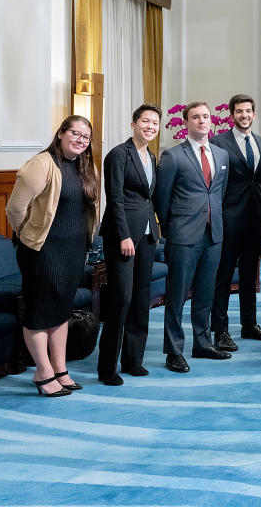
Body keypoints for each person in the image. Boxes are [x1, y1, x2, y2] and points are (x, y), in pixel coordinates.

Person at [7, 116, 100, 396]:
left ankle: (60, 369)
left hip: (73, 251)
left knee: (60, 311)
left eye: (86, 137)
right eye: (75, 133)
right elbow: (15, 210)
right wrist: (29, 236)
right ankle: (42, 372)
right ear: (61, 133)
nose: (80, 140)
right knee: (39, 312)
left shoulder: (84, 166)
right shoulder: (41, 164)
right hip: (42, 252)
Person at [154, 101, 230, 372]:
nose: (202, 121)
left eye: (206, 117)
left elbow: (218, 193)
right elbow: (161, 200)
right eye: (196, 117)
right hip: (183, 237)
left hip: (214, 235)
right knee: (176, 296)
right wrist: (173, 226)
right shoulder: (173, 156)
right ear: (186, 122)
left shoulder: (222, 155)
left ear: (212, 121)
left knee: (206, 294)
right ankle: (174, 351)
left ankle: (202, 343)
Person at [97, 104, 161, 386]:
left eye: (155, 123)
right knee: (121, 299)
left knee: (140, 299)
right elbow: (115, 198)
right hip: (123, 236)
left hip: (147, 234)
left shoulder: (151, 155)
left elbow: (148, 197)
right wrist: (123, 235)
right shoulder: (118, 155)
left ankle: (133, 360)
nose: (150, 126)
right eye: (145, 121)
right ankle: (107, 366)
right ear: (133, 123)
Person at [209, 94, 261, 350]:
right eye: (239, 111)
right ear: (232, 115)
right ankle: (220, 331)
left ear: (253, 114)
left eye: (248, 111)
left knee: (249, 275)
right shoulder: (218, 142)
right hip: (227, 218)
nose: (244, 115)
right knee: (223, 277)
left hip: (256, 220)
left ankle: (249, 325)